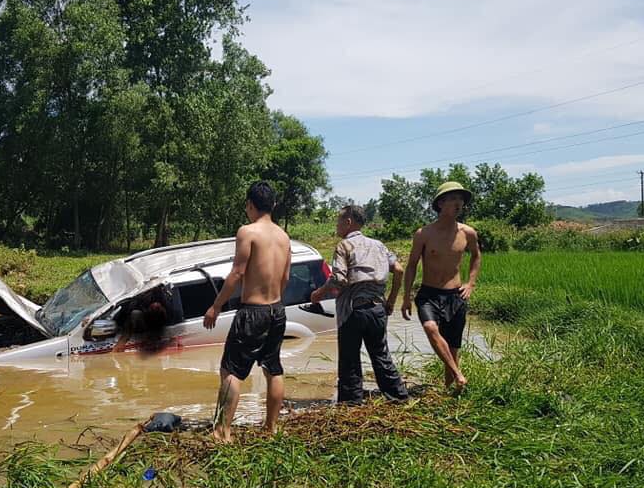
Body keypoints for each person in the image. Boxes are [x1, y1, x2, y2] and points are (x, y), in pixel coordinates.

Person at [203, 181, 291, 443]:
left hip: (253, 311)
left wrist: (216, 306)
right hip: (277, 310)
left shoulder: (247, 232)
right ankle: (271, 429)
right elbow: (285, 278)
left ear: (250, 205)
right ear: (273, 205)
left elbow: (237, 273)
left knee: (230, 371)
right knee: (273, 369)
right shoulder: (284, 237)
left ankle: (222, 432)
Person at [309, 204, 408, 404]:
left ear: (348, 222)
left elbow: (339, 279)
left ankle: (351, 403)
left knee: (349, 360)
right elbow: (398, 270)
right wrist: (390, 300)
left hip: (352, 310)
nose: (336, 225)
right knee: (381, 355)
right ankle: (399, 397)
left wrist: (319, 293)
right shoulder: (379, 245)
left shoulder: (344, 246)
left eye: (338, 221)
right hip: (377, 309)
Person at [401, 181, 481, 393]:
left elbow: (476, 256)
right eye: (453, 199)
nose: (458, 203)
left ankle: (450, 391)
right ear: (440, 204)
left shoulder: (468, 233)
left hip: (455, 295)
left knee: (452, 349)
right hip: (429, 294)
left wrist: (471, 283)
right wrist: (406, 297)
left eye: (460, 199)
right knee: (430, 328)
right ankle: (459, 375)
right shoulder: (424, 234)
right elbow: (411, 265)